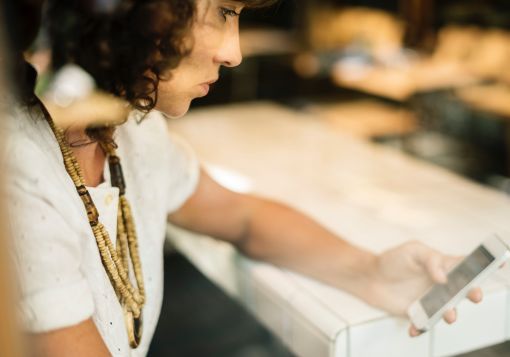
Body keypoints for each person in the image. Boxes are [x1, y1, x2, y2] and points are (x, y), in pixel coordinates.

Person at [5, 0, 482, 356]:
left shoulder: (133, 129)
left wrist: (372, 272)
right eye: (223, 12)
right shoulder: (19, 174)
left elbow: (241, 216)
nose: (234, 52)